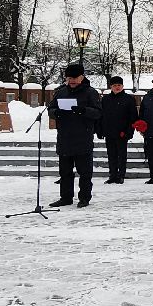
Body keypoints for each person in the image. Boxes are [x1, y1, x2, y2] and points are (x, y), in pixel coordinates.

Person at [47, 63, 102, 207]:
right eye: (69, 78)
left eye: (75, 78)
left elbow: (98, 113)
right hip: (65, 137)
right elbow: (51, 109)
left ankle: (84, 198)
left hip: (83, 137)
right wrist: (55, 113)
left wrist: (83, 110)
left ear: (82, 77)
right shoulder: (61, 92)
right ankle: (65, 197)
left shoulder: (91, 92)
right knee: (65, 172)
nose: (71, 81)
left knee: (84, 172)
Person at [98, 75, 137, 185]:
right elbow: (101, 116)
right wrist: (100, 130)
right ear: (111, 87)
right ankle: (112, 175)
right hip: (109, 132)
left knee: (121, 155)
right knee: (111, 155)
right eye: (115, 85)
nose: (117, 87)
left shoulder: (129, 99)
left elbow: (132, 117)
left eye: (119, 85)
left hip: (122, 132)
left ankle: (121, 175)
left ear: (123, 86)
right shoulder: (105, 99)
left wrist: (129, 132)